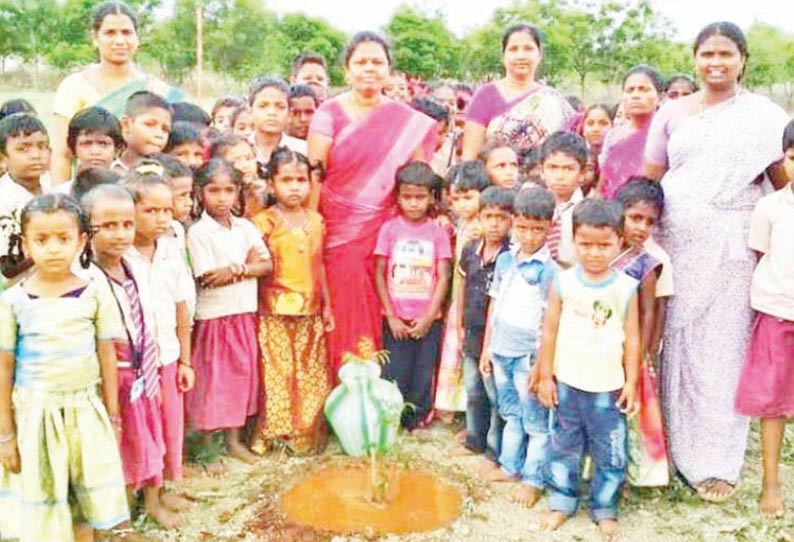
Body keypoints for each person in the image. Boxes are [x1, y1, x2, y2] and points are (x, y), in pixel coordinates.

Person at [643, 21, 791, 503]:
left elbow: (781, 180)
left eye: (726, 54)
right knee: (675, 340)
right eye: (707, 54)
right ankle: (666, 444)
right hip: (677, 241)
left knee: (723, 350)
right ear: (694, 57)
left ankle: (715, 461)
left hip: (732, 248)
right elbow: (650, 181)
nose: (716, 63)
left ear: (743, 60)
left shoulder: (764, 117)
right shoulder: (671, 112)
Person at [307, 31, 436, 379]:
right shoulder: (327, 114)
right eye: (360, 61)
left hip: (385, 231)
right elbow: (315, 175)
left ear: (389, 70)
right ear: (346, 70)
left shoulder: (406, 121)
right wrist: (311, 225)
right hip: (335, 229)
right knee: (341, 305)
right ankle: (340, 384)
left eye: (377, 61)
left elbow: (417, 178)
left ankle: (377, 387)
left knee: (380, 303)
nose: (369, 68)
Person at [0, 194, 129, 542]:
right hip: (34, 417)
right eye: (41, 240)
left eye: (63, 238)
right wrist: (6, 436)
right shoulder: (13, 301)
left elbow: (107, 355)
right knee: (44, 496)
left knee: (83, 494)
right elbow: (4, 369)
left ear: (82, 240)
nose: (53, 249)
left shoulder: (94, 292)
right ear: (25, 244)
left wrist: (113, 416)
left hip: (84, 410)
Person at [535, 199, 641, 542]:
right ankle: (562, 500)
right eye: (585, 244)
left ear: (619, 242)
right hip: (566, 382)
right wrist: (545, 375)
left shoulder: (625, 287)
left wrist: (632, 382)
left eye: (604, 245)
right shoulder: (563, 282)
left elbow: (633, 337)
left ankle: (605, 508)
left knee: (609, 448)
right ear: (573, 240)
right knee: (564, 444)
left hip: (607, 386)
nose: (594, 253)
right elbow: (548, 330)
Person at [82, 183, 178, 529]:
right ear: (86, 229)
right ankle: (119, 523)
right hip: (115, 377)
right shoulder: (87, 278)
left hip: (144, 368)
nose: (120, 234)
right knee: (119, 448)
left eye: (126, 224)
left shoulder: (132, 266)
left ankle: (151, 502)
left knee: (150, 434)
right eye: (108, 226)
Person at [186, 159, 272, 465]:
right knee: (213, 381)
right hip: (214, 319)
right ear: (200, 193)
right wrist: (247, 267)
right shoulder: (199, 233)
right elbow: (209, 277)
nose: (222, 198)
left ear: (238, 193)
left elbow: (267, 264)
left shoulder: (246, 227)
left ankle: (234, 441)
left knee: (239, 378)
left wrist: (236, 268)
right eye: (213, 190)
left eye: (228, 190)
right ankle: (209, 447)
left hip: (243, 314)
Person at [479, 187, 558, 509]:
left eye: (537, 229)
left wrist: (542, 365)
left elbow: (549, 322)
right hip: (501, 351)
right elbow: (494, 307)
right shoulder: (506, 260)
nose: (528, 235)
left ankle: (533, 480)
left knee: (536, 423)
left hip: (529, 356)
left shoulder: (550, 271)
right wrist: (487, 348)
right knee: (510, 413)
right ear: (514, 223)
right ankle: (510, 467)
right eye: (523, 227)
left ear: (549, 228)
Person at [250, 148, 333, 455]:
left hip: (310, 310)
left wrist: (327, 305)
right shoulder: (264, 222)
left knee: (311, 371)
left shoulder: (316, 220)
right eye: (286, 180)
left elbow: (320, 264)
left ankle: (304, 434)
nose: (295, 187)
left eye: (301, 180)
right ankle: (272, 432)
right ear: (271, 184)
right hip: (273, 310)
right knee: (276, 371)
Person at [122, 175, 195, 507]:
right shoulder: (120, 257)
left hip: (167, 357)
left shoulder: (170, 252)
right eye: (151, 210)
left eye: (166, 210)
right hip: (136, 365)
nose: (162, 218)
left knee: (170, 427)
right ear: (131, 211)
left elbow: (182, 309)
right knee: (141, 429)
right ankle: (142, 496)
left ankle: (165, 488)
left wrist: (185, 361)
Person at [50, 1, 181, 184]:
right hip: (89, 188)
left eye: (126, 32)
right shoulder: (74, 86)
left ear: (137, 38)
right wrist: (61, 202)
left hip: (144, 190)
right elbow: (62, 154)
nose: (120, 41)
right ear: (95, 38)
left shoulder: (156, 90)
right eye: (110, 33)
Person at [735, 119, 794, 519]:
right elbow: (761, 255)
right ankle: (770, 483)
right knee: (772, 404)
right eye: (793, 157)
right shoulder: (769, 207)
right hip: (778, 312)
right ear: (784, 159)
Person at [374, 162, 451, 430]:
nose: (414, 204)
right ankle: (392, 419)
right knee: (395, 370)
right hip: (395, 317)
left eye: (420, 197)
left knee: (422, 372)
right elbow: (380, 273)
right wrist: (391, 316)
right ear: (398, 197)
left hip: (427, 320)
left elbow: (443, 275)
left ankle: (416, 421)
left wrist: (430, 317)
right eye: (407, 197)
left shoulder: (438, 233)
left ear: (431, 197)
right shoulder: (390, 229)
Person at [612, 179, 671, 487]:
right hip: (601, 346)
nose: (642, 227)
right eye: (635, 217)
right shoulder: (602, 253)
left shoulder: (646, 264)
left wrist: (641, 355)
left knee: (628, 413)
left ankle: (631, 474)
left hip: (630, 351)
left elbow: (649, 311)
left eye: (650, 222)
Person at [453, 186, 513, 463]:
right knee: (473, 389)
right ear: (479, 218)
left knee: (496, 395)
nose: (494, 223)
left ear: (511, 220)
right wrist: (458, 319)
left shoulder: (511, 256)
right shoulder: (470, 250)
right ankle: (474, 438)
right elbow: (462, 283)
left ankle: (495, 450)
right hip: (472, 332)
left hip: (497, 337)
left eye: (501, 217)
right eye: (488, 216)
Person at [462, 23, 575, 159]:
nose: (520, 56)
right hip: (492, 178)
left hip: (544, 178)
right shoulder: (486, 95)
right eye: (513, 49)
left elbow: (568, 153)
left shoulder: (553, 100)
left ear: (539, 55)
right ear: (503, 56)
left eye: (528, 49)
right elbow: (470, 155)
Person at [435, 162, 489, 423]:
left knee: (463, 352)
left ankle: (464, 409)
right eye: (456, 199)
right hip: (459, 295)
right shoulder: (464, 222)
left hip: (471, 299)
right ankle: (451, 405)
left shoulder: (481, 228)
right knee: (454, 350)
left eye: (468, 197)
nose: (461, 205)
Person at [598, 66, 663, 200]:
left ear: (660, 97)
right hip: (613, 209)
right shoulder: (614, 135)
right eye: (629, 90)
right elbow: (604, 180)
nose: (635, 95)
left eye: (643, 89)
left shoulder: (664, 133)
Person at [0, 114, 52, 283]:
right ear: (3, 158)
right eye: (24, 149)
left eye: (42, 147)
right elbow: (8, 268)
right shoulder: (5, 201)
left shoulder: (51, 188)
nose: (36, 155)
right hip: (19, 290)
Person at [540, 131, 587, 268]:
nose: (559, 176)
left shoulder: (588, 212)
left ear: (582, 173)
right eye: (552, 168)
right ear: (542, 171)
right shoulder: (531, 204)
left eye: (568, 169)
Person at [248, 77, 306, 165]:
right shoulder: (238, 150)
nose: (272, 112)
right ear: (250, 111)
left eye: (280, 107)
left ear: (289, 113)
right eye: (263, 106)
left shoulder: (303, 150)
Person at [115, 91, 173, 173]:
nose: (159, 134)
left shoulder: (168, 175)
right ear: (126, 125)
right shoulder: (106, 168)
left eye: (165, 129)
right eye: (150, 124)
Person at [209, 134, 264, 218]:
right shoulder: (218, 199)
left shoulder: (259, 195)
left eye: (248, 158)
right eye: (235, 161)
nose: (245, 165)